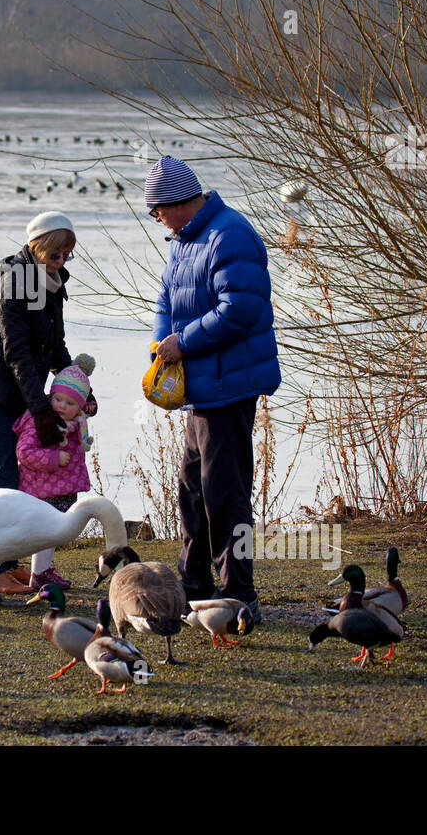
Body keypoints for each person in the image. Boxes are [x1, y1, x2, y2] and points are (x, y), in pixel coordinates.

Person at [144, 155, 281, 623]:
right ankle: (195, 583)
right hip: (202, 386)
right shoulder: (185, 240)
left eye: (156, 210)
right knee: (192, 489)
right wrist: (164, 344)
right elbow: (166, 296)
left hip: (229, 385)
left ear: (178, 202)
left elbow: (240, 308)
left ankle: (240, 592)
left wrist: (183, 342)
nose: (155, 219)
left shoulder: (229, 234)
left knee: (224, 491)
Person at [0, 211, 91, 594]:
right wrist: (40, 410)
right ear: (39, 247)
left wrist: (80, 387)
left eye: (68, 255)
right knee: (2, 480)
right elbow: (15, 351)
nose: (63, 261)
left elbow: (55, 346)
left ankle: (10, 564)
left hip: (27, 394)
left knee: (22, 487)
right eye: (57, 254)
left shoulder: (51, 282)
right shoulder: (12, 280)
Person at [12, 360, 95, 590]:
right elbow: (24, 452)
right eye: (58, 399)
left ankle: (41, 571)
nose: (61, 406)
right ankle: (39, 573)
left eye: (69, 403)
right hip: (42, 488)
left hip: (61, 488)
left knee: (52, 532)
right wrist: (53, 459)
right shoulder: (41, 420)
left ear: (79, 407)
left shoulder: (76, 423)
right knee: (47, 531)